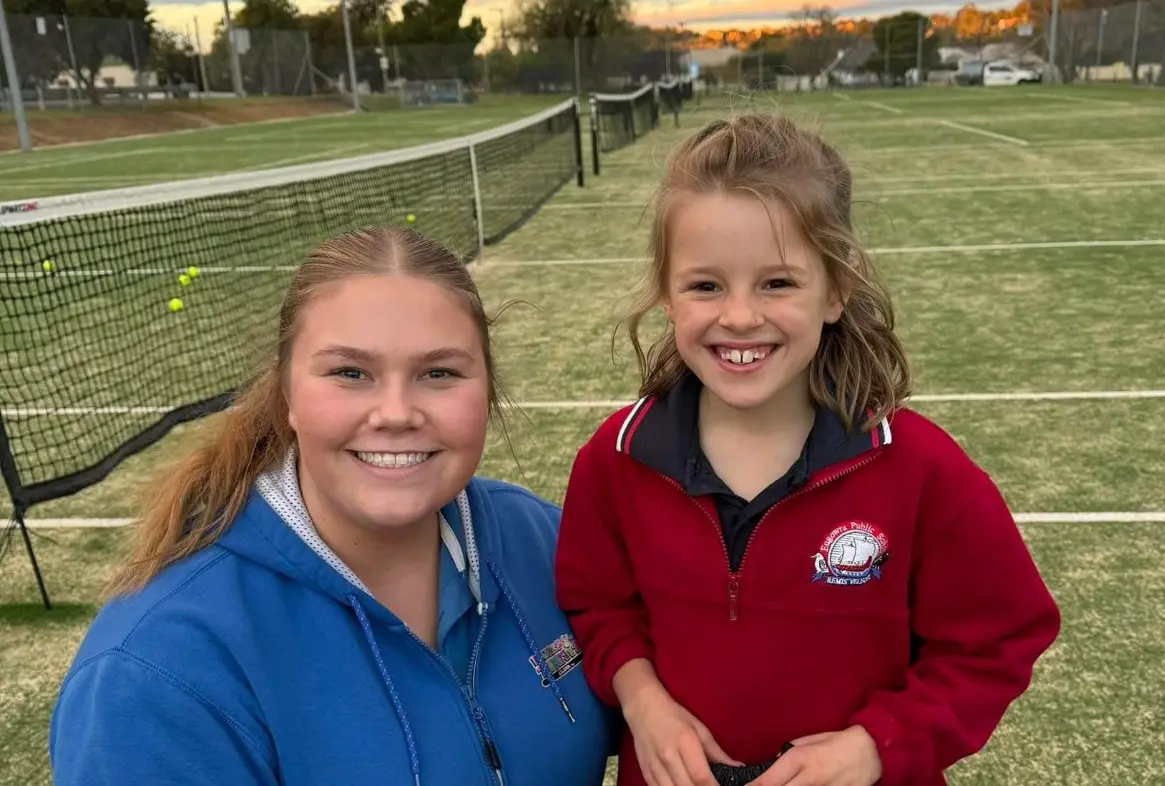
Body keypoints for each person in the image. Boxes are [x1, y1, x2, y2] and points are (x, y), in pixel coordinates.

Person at [553, 115, 1061, 786]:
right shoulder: (614, 461)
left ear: (836, 289)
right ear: (667, 296)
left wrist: (877, 744)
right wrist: (642, 702)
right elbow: (597, 608)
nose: (738, 316)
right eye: (705, 285)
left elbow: (998, 639)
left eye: (777, 283)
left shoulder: (921, 470)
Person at [50, 227, 616, 786]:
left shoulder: (543, 540)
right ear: (288, 396)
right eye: (351, 373)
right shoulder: (155, 670)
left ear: (486, 390)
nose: (396, 413)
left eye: (438, 372)